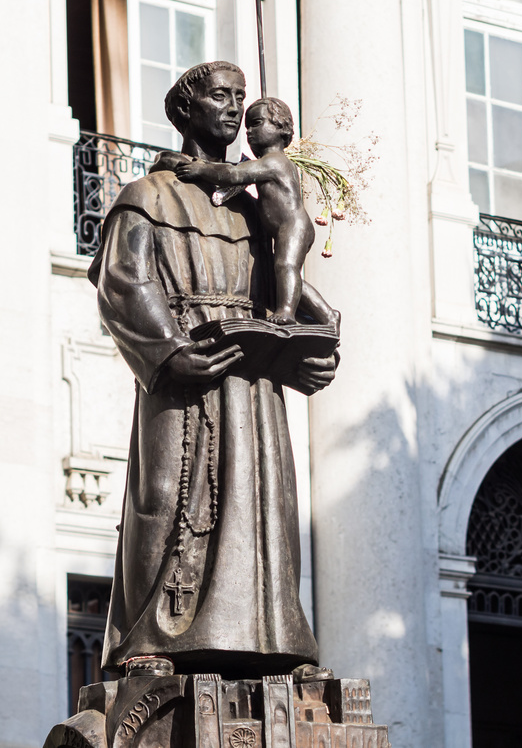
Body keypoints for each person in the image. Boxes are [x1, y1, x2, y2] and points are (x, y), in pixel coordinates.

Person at [87, 60, 338, 679]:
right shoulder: (148, 195)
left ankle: (273, 640)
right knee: (168, 495)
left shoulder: (254, 209)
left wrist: (308, 348)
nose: (233, 108)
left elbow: (290, 284)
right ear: (185, 110)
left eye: (240, 98)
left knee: (264, 501)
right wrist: (169, 352)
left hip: (251, 382)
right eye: (220, 97)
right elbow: (122, 281)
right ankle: (150, 638)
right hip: (185, 371)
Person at [170, 97, 339, 330]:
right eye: (248, 126)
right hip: (283, 228)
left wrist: (202, 169)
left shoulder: (275, 162)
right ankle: (327, 314)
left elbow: (235, 175)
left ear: (282, 127)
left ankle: (287, 312)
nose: (249, 132)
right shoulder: (267, 163)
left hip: (293, 226)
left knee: (285, 267)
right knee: (283, 271)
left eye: (257, 123)